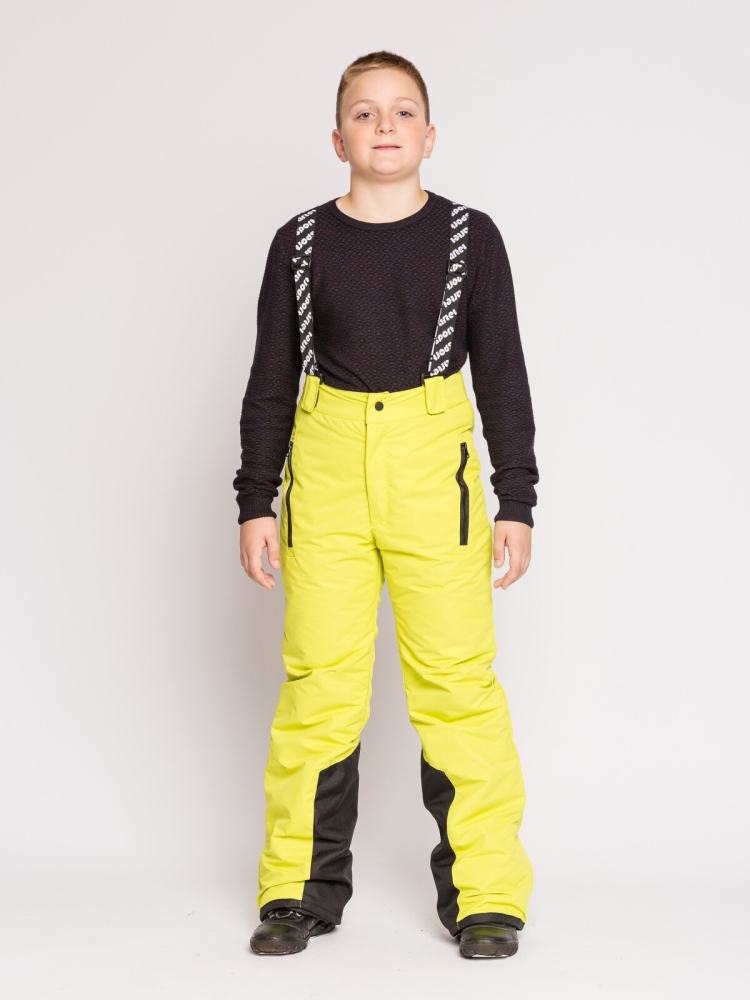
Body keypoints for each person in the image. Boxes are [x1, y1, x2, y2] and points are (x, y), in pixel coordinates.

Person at [233, 50, 539, 961]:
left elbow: (503, 373)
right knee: (319, 684)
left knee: (457, 683)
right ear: (339, 139)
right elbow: (270, 380)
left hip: (432, 471)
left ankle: (486, 895)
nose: (385, 126)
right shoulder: (298, 243)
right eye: (364, 114)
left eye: (403, 111)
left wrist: (515, 499)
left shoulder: (471, 238)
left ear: (430, 135)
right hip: (324, 472)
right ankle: (297, 890)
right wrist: (256, 500)